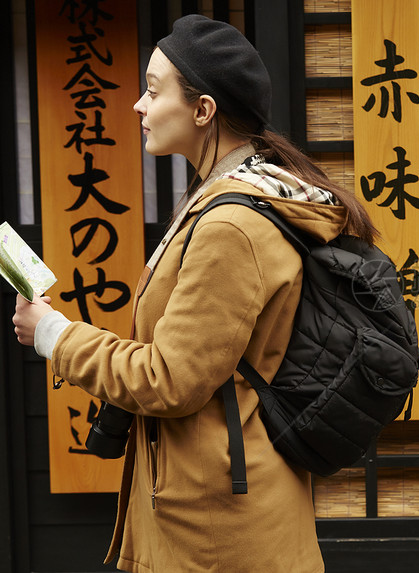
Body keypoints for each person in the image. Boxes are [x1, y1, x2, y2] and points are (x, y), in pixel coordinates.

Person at [12, 14, 376, 573]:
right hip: (214, 505)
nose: (138, 105)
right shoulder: (222, 200)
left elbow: (170, 380)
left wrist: (55, 336)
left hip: (220, 533)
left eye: (154, 91)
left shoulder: (231, 225)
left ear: (203, 110)